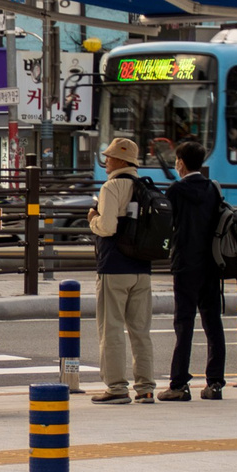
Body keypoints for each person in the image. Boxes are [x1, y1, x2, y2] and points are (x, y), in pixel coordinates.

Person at [83, 134, 158, 404]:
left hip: (114, 266)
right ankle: (146, 388)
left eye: (110, 157)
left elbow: (107, 227)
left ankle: (116, 388)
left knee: (111, 329)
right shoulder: (145, 187)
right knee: (140, 331)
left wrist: (93, 219)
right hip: (142, 267)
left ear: (121, 161)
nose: (106, 161)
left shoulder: (111, 187)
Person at [163, 139, 229, 401]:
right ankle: (215, 383)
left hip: (185, 264)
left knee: (184, 324)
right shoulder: (213, 188)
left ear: (180, 162)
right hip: (211, 264)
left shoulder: (175, 191)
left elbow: (167, 225)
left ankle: (179, 384)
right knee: (213, 323)